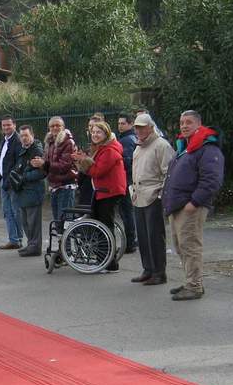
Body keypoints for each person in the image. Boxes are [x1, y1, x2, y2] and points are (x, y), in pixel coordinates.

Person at [162, 110, 224, 300]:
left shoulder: (207, 148)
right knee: (181, 246)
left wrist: (194, 202)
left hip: (190, 206)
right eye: (182, 122)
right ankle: (191, 281)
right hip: (178, 205)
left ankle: (194, 285)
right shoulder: (186, 148)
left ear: (199, 124)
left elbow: (212, 180)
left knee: (190, 246)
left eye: (188, 122)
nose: (184, 126)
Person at [73, 121, 127, 272]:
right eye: (93, 132)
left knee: (105, 227)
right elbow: (93, 169)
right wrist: (82, 159)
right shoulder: (101, 148)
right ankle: (103, 260)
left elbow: (97, 171)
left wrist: (83, 161)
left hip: (109, 191)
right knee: (100, 226)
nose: (95, 135)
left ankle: (110, 263)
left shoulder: (110, 150)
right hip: (102, 191)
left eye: (99, 132)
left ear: (106, 134)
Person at [131, 113, 176, 286]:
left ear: (150, 127)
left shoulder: (161, 145)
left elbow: (169, 172)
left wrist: (160, 195)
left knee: (155, 236)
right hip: (139, 195)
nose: (139, 130)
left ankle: (159, 272)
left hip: (153, 195)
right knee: (142, 236)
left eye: (142, 127)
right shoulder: (139, 146)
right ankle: (148, 269)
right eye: (137, 127)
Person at [31, 116, 78, 233]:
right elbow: (48, 163)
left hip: (65, 185)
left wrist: (44, 164)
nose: (55, 128)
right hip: (54, 185)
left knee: (65, 220)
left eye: (58, 125)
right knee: (58, 221)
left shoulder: (68, 142)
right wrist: (39, 163)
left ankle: (66, 249)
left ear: (63, 127)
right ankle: (61, 247)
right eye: (52, 126)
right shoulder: (49, 142)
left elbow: (64, 166)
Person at [12, 125, 46, 256]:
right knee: (26, 222)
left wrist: (23, 177)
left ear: (32, 135)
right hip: (23, 192)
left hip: (33, 191)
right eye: (21, 136)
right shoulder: (23, 150)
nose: (24, 138)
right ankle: (31, 244)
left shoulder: (36, 150)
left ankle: (35, 247)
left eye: (26, 135)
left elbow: (40, 173)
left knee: (33, 222)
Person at [0, 115, 23, 249]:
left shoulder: (17, 140)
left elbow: (19, 162)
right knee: (7, 211)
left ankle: (17, 238)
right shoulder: (4, 141)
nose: (6, 127)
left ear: (14, 125)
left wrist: (10, 179)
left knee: (15, 211)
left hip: (12, 183)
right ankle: (14, 239)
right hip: (3, 181)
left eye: (8, 125)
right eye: (4, 125)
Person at [116, 114, 138, 253]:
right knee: (126, 212)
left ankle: (131, 243)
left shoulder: (127, 140)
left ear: (130, 124)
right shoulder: (126, 138)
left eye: (123, 123)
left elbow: (127, 161)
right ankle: (131, 241)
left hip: (126, 181)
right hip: (127, 180)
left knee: (127, 212)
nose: (120, 126)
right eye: (119, 123)